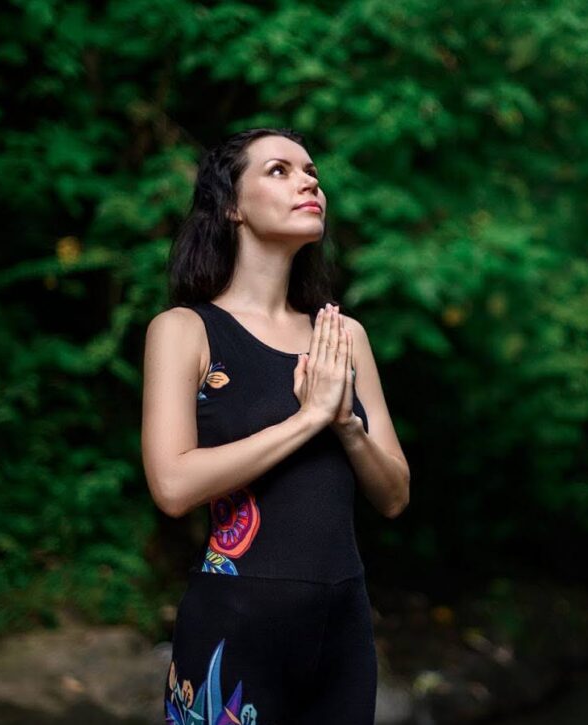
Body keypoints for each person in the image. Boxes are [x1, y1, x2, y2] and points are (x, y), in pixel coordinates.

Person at [140, 128, 410, 724]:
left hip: (343, 628)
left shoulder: (344, 337)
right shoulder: (185, 330)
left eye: (311, 170)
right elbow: (173, 485)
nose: (309, 181)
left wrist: (345, 426)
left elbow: (394, 495)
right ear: (232, 206)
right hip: (235, 627)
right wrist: (309, 417)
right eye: (280, 171)